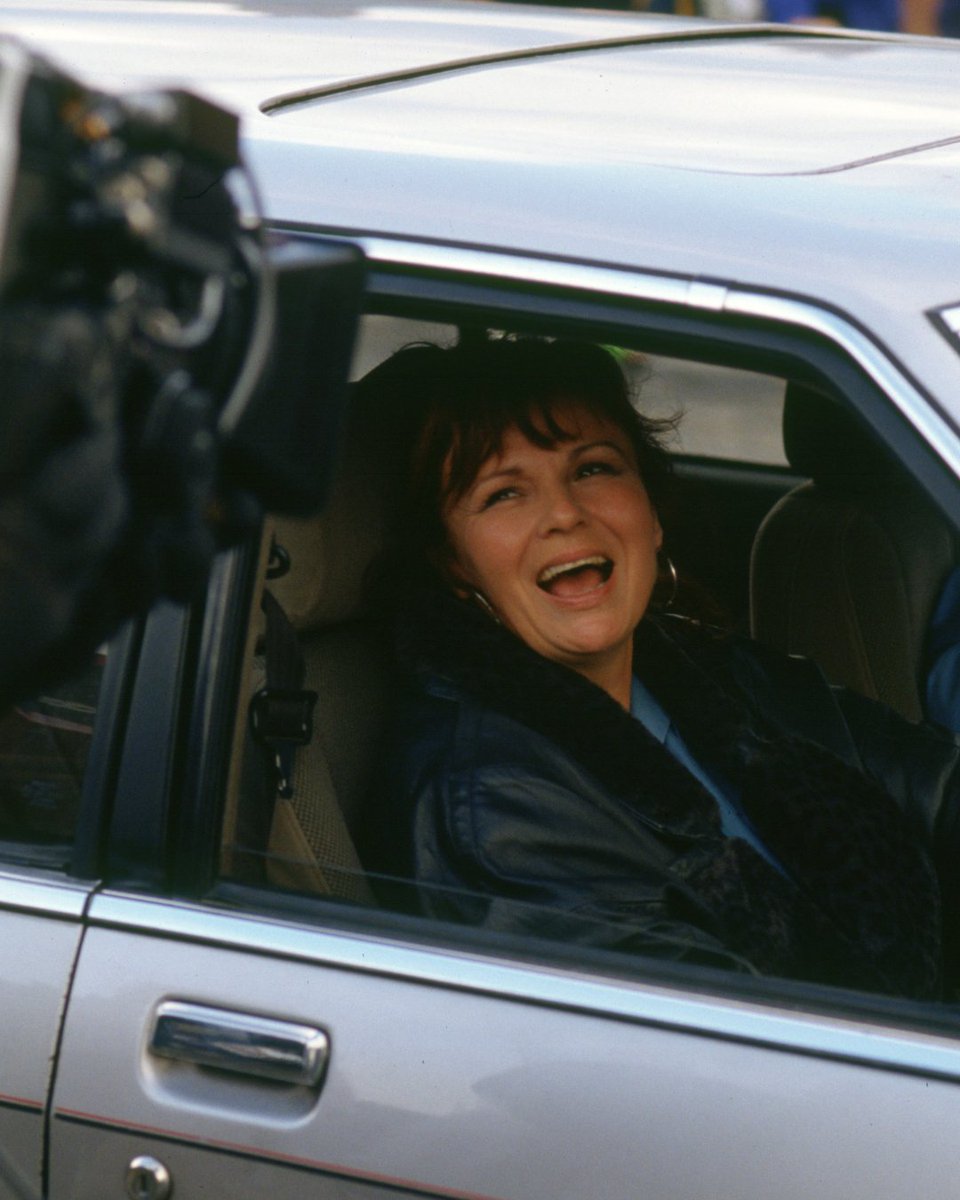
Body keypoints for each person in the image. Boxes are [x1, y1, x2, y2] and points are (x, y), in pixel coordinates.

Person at [362, 335, 960, 1002]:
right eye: (504, 494)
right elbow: (739, 1052)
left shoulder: (708, 672)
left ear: (649, 515)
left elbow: (934, 786)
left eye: (592, 469)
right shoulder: (493, 807)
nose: (564, 514)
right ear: (455, 564)